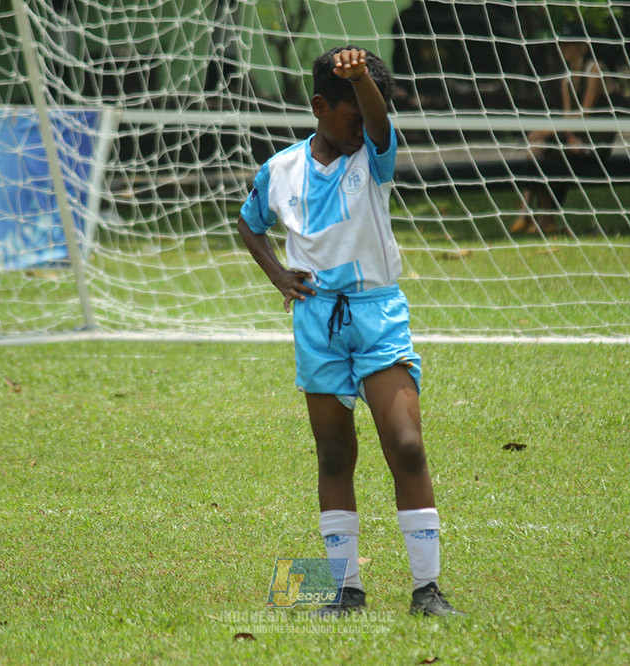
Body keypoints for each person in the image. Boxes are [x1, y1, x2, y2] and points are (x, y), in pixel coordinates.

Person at [237, 46, 464, 618]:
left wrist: (363, 82)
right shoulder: (281, 170)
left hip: (377, 314)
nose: (362, 127)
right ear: (319, 107)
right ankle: (344, 592)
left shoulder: (373, 155)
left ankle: (427, 591)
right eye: (352, 116)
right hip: (318, 321)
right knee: (334, 454)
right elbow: (248, 221)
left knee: (407, 447)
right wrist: (278, 276)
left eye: (370, 116)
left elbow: (380, 122)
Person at [510, 23, 617, 235]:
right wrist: (567, 138)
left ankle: (541, 216)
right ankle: (532, 215)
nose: (564, 48)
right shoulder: (566, 79)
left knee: (547, 152)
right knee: (536, 147)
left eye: (570, 44)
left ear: (583, 47)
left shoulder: (595, 70)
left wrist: (550, 131)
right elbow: (569, 119)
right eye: (562, 44)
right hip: (576, 141)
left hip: (596, 142)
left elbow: (584, 114)